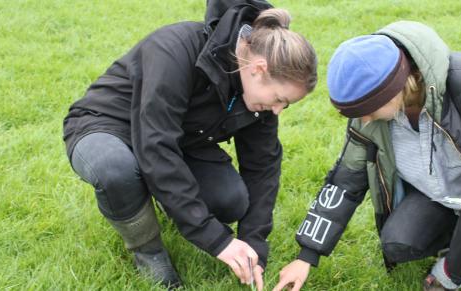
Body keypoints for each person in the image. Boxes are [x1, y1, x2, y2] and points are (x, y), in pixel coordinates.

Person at [273, 21, 461, 291]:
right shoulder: (368, 117)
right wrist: (307, 255)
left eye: (368, 110)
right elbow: (345, 180)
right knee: (398, 243)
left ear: (394, 89)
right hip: (435, 194)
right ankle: (457, 237)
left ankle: (449, 275)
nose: (365, 120)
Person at [62, 0, 317, 289]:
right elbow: (157, 147)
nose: (278, 110)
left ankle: (159, 198)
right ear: (259, 68)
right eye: (280, 99)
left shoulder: (258, 95)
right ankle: (148, 250)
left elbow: (262, 166)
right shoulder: (175, 48)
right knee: (115, 170)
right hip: (106, 125)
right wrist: (217, 240)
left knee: (231, 200)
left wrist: (253, 243)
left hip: (182, 139)